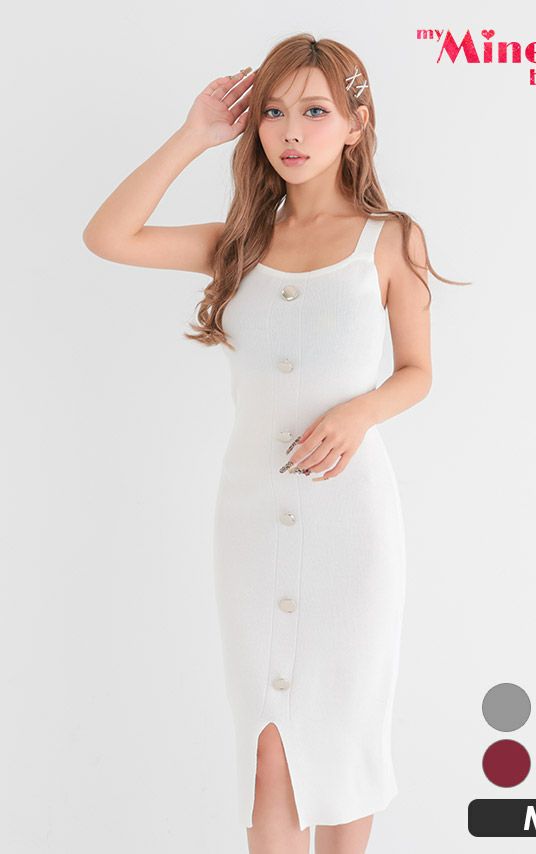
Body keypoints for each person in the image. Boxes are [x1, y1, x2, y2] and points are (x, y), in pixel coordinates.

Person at [83, 32, 468, 854]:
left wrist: (360, 412)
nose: (291, 131)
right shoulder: (239, 242)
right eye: (274, 112)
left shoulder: (391, 239)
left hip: (350, 522)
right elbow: (108, 236)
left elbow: (418, 372)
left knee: (347, 733)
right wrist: (194, 133)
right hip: (251, 521)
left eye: (315, 111)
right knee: (268, 748)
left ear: (356, 125)